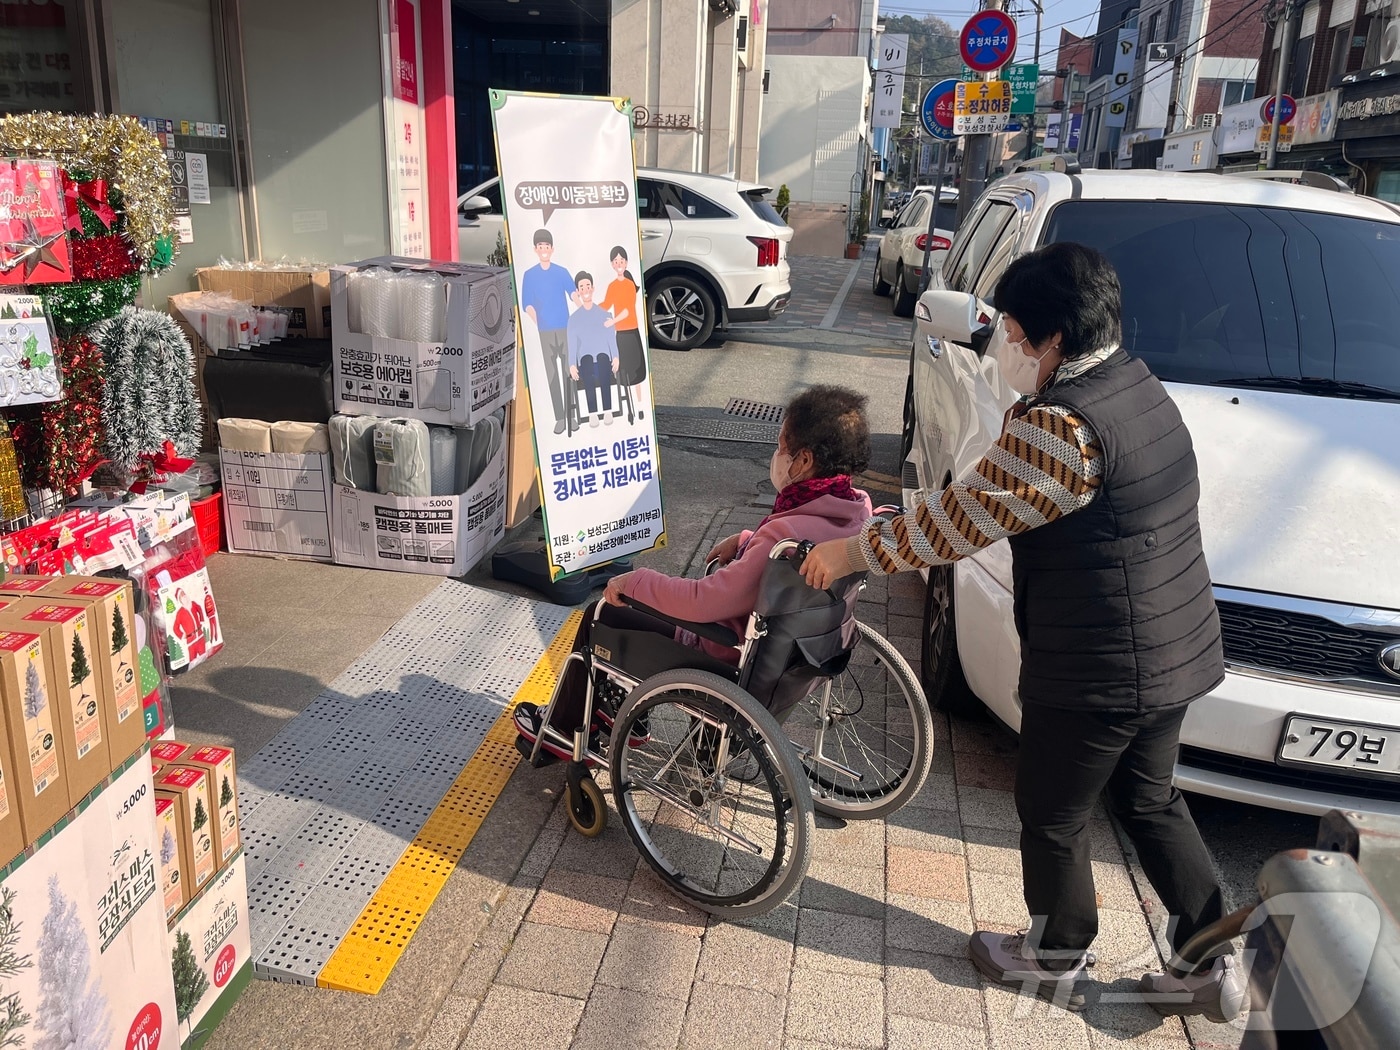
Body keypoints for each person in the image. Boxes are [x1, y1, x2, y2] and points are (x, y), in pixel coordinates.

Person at [800, 243, 1245, 1021]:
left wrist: (848, 550)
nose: (1002, 343)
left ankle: (1055, 951)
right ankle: (1211, 959)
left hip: (1100, 663)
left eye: (1011, 329)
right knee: (1149, 801)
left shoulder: (1061, 430)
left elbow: (955, 522)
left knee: (1053, 812)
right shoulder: (1138, 388)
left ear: (1054, 341)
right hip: (1176, 648)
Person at [514, 385, 874, 760]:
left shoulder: (783, 535)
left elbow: (703, 602)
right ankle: (612, 711)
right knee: (627, 614)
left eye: (782, 444)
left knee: (602, 615)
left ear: (803, 461)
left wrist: (635, 581)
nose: (777, 453)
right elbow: (783, 557)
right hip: (801, 658)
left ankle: (562, 729)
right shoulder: (856, 513)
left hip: (722, 655)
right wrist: (750, 539)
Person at [520, 229, 577, 435]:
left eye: (547, 247)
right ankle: (560, 418)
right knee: (552, 376)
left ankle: (572, 415)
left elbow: (573, 293)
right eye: (540, 247)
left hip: (565, 328)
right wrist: (538, 321)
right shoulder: (530, 275)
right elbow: (527, 304)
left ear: (552, 249)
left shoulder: (561, 272)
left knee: (569, 373)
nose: (544, 250)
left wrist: (583, 309)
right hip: (545, 331)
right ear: (536, 250)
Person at [567, 272, 620, 427]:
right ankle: (592, 413)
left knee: (604, 359)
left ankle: (607, 409)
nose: (585, 290)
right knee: (587, 360)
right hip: (586, 363)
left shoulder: (604, 314)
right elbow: (572, 343)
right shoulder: (574, 319)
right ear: (578, 291)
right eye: (582, 287)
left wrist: (615, 356)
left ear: (593, 288)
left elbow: (611, 338)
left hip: (603, 361)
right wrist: (572, 364)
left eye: (588, 286)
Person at [600, 245, 646, 423]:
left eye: (622, 260)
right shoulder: (612, 286)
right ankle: (628, 409)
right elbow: (606, 303)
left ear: (626, 263)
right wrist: (590, 309)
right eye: (616, 261)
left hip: (631, 331)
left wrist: (612, 321)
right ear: (612, 264)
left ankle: (641, 406)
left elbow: (627, 310)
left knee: (637, 373)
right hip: (619, 334)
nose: (619, 264)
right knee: (623, 372)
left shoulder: (629, 285)